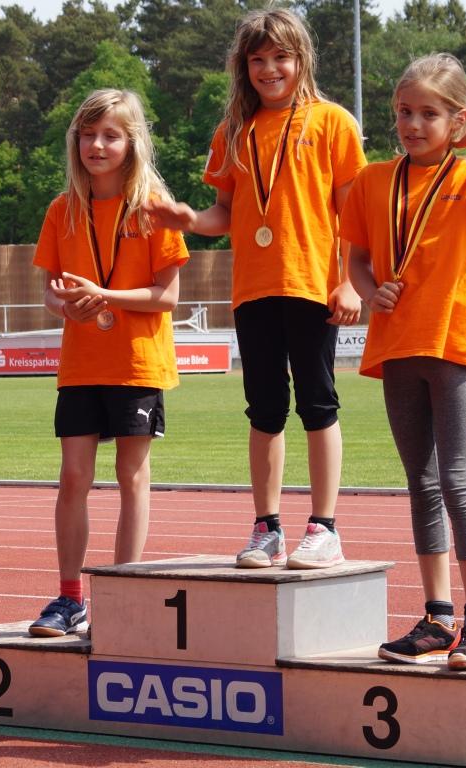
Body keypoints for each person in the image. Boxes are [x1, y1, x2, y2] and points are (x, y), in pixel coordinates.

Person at [146, 8, 366, 570]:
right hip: (253, 289)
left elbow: (352, 214)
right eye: (258, 59)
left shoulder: (333, 122)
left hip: (313, 283)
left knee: (318, 403)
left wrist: (348, 282)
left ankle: (325, 527)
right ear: (243, 67)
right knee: (264, 409)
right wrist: (189, 219)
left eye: (281, 57)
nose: (270, 69)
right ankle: (267, 527)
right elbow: (224, 212)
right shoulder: (233, 132)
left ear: (302, 59)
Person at [340, 53, 466, 669]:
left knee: (457, 481)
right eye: (404, 112)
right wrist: (371, 291)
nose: (414, 124)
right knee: (421, 485)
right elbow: (356, 260)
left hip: (453, 344)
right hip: (397, 347)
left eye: (430, 114)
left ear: (456, 120)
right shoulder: (373, 180)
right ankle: (436, 617)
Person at [28, 88, 189, 636]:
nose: (97, 145)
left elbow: (168, 296)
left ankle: (122, 596)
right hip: (81, 365)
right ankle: (69, 598)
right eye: (88, 135)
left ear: (132, 142)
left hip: (136, 364)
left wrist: (105, 296)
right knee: (73, 477)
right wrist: (66, 305)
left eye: (111, 135)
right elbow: (50, 292)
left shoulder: (153, 208)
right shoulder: (62, 210)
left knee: (131, 476)